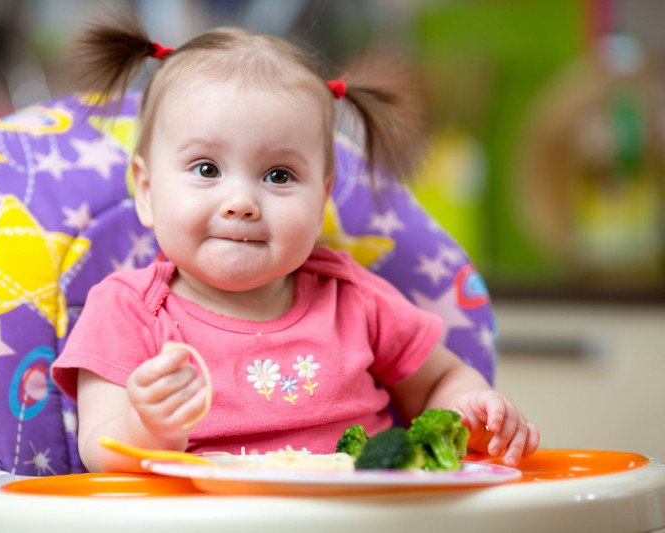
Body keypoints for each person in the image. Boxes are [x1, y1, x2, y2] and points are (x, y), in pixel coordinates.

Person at [51, 11, 539, 473]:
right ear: (147, 191)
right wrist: (147, 428)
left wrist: (471, 409)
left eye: (279, 175)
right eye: (207, 169)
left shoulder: (355, 299)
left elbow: (439, 380)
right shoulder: (128, 310)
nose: (241, 200)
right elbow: (99, 447)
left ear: (323, 198)